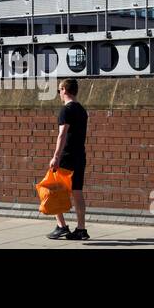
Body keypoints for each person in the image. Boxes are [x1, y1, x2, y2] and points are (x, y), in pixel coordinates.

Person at [46, 77, 89, 241]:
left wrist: (56, 157)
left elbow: (62, 134)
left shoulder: (66, 110)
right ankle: (81, 229)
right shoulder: (82, 110)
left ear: (64, 90)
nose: (59, 93)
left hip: (66, 157)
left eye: (59, 90)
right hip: (80, 156)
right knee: (77, 192)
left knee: (52, 189)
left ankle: (62, 226)